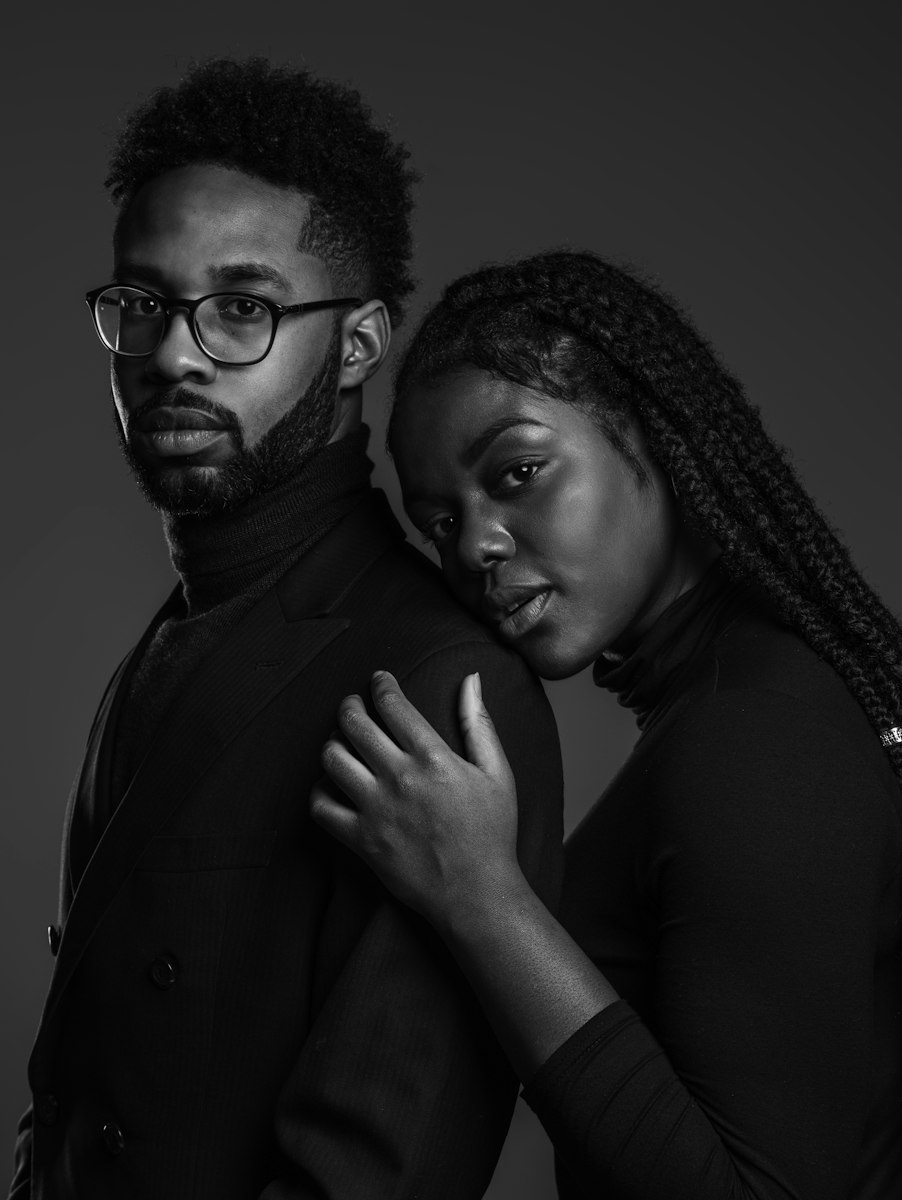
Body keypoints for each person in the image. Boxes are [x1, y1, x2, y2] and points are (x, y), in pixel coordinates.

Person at [311, 250, 902, 1200]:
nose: (474, 544)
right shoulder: (736, 708)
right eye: (439, 522)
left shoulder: (754, 742)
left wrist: (481, 898)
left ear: (657, 439)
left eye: (517, 472)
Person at [9, 62, 564, 1200]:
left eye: (243, 309)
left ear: (357, 345)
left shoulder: (439, 685)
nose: (174, 353)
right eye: (143, 303)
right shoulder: (162, 647)